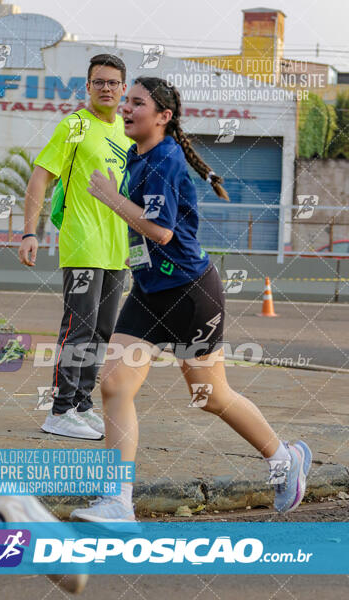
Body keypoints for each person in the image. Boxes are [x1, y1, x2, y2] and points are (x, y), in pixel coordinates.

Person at [67, 76, 312, 522]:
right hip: (148, 291)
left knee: (210, 395)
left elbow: (160, 230)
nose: (125, 108)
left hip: (189, 293)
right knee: (115, 385)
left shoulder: (165, 160)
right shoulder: (137, 156)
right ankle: (117, 501)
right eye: (125, 101)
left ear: (163, 116)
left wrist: (108, 196)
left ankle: (284, 459)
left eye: (136, 103)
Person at [18, 53, 132, 440]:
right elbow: (40, 178)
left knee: (102, 331)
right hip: (83, 242)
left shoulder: (124, 131)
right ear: (87, 87)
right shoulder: (75, 126)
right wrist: (29, 232)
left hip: (118, 248)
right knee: (78, 328)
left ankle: (82, 404)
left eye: (113, 82)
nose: (106, 88)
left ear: (123, 88)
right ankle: (60, 410)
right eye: (98, 82)